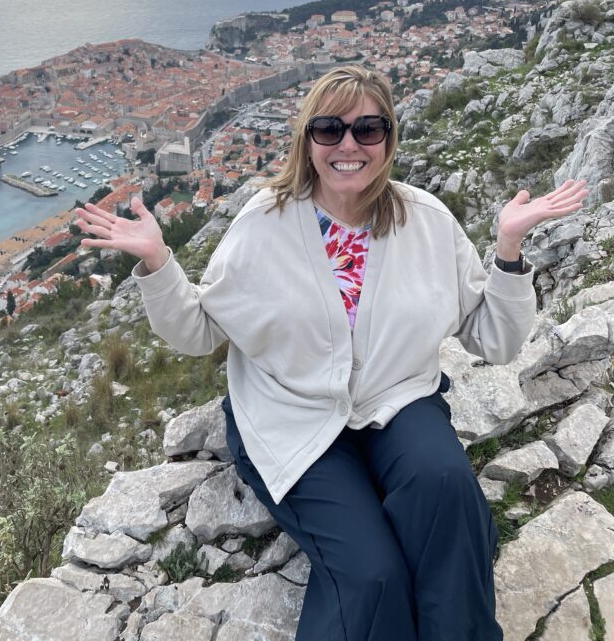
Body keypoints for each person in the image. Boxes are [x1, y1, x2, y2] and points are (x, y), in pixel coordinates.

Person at [76, 65, 587, 641]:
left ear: (389, 138)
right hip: (291, 414)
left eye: (368, 129)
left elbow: (495, 339)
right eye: (330, 129)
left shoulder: (426, 220)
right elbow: (199, 333)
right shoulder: (262, 225)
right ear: (308, 141)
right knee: (370, 575)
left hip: (397, 400)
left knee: (449, 495)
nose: (349, 145)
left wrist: (509, 249)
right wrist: (157, 264)